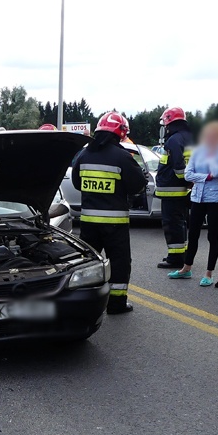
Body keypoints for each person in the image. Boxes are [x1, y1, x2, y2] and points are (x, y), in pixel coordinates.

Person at [72, 112, 148, 314]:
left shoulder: (83, 154)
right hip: (115, 225)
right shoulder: (122, 156)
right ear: (120, 132)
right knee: (120, 264)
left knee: (88, 264)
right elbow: (137, 186)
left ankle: (85, 302)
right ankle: (116, 304)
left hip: (88, 224)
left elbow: (76, 183)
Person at [168, 121, 218, 286]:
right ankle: (186, 268)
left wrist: (206, 168)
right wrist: (205, 177)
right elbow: (188, 175)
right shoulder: (197, 152)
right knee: (193, 235)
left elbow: (217, 172)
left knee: (212, 236)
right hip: (197, 198)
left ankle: (209, 273)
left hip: (215, 200)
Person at [155, 107, 194, 269]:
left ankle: (175, 258)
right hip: (185, 191)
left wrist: (184, 180)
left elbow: (178, 168)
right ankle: (181, 254)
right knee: (181, 223)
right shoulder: (190, 138)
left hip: (173, 191)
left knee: (172, 225)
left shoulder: (174, 140)